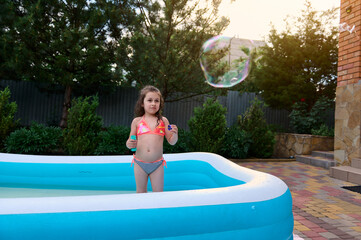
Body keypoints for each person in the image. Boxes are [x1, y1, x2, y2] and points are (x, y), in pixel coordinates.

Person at [126, 85, 178, 193]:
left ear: (160, 104)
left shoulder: (164, 121)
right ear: (142, 103)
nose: (153, 103)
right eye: (149, 100)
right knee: (140, 193)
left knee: (158, 194)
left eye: (156, 101)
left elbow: (172, 141)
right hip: (139, 163)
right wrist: (129, 144)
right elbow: (130, 141)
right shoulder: (136, 121)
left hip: (157, 164)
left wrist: (175, 134)